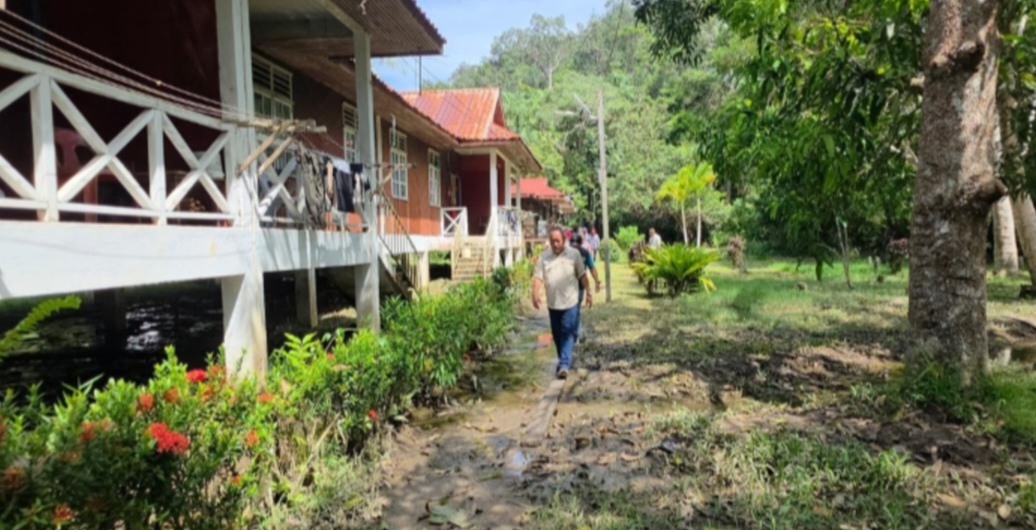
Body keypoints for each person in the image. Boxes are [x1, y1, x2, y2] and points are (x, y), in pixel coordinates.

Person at [532, 227, 591, 379]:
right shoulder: (544, 257)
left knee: (567, 331)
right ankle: (562, 360)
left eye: (558, 241)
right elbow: (538, 277)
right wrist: (535, 293)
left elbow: (582, 275)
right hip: (553, 304)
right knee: (557, 335)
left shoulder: (574, 254)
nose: (555, 244)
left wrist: (589, 292)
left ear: (564, 240)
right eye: (552, 241)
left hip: (570, 302)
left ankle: (564, 364)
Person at [570, 233, 601, 343]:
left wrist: (597, 282)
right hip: (578, 286)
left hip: (574, 286)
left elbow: (592, 268)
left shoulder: (566, 252)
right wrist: (596, 281)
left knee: (571, 310)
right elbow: (592, 268)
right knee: (575, 310)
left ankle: (573, 334)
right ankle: (575, 334)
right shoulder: (584, 252)